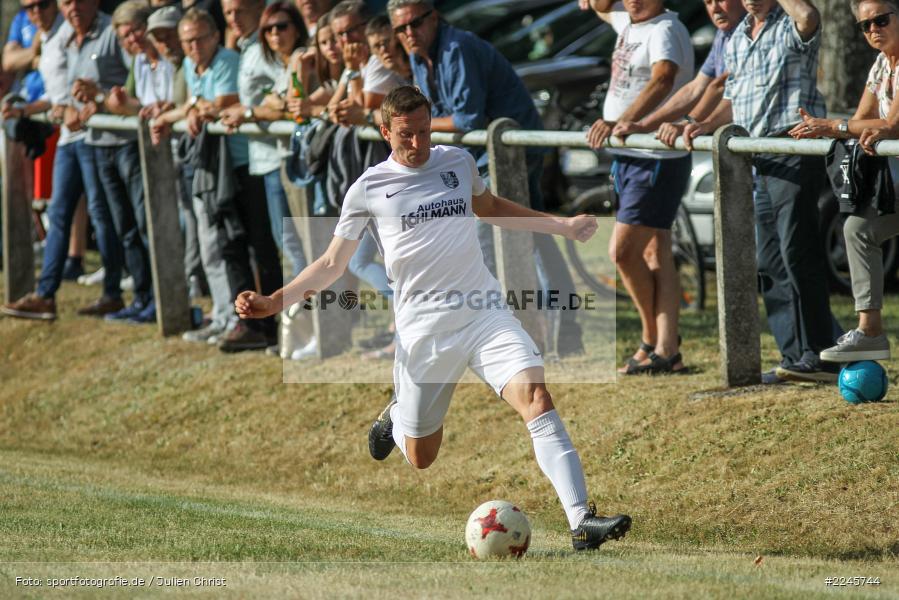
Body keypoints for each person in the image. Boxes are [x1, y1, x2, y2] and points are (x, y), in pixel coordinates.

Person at [234, 85, 632, 551]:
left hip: (484, 314)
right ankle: (398, 414)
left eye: (424, 131)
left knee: (537, 398)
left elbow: (491, 209)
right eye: (407, 136)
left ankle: (581, 522)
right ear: (385, 132)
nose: (419, 144)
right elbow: (330, 265)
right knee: (422, 456)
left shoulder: (457, 162)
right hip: (423, 333)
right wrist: (272, 302)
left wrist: (561, 225)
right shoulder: (368, 188)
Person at [387, 0, 584, 355]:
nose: (409, 33)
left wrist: (418, 126)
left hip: (512, 153)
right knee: (537, 237)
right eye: (400, 29)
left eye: (415, 23)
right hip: (485, 157)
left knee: (488, 241)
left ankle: (517, 333)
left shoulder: (456, 47)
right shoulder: (420, 55)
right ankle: (562, 334)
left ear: (433, 17)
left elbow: (466, 119)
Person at [682, 0, 842, 384]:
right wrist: (703, 124)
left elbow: (809, 17)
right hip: (757, 155)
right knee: (768, 259)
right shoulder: (737, 36)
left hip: (792, 146)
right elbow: (735, 103)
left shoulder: (790, 24)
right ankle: (793, 357)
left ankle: (821, 355)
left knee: (795, 250)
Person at [584, 0, 694, 374]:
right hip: (633, 155)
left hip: (656, 157)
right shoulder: (629, 22)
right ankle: (666, 347)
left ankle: (652, 339)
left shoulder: (664, 28)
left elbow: (663, 77)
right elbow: (599, 8)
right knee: (653, 253)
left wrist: (622, 121)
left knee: (621, 252)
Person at [1, 0, 126, 321]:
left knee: (101, 213)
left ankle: (113, 291)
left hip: (91, 134)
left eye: (42, 5)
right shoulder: (50, 38)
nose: (36, 12)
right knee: (59, 212)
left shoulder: (71, 31)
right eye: (28, 8)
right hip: (70, 136)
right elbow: (57, 97)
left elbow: (89, 84)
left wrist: (70, 106)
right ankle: (46, 295)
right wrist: (26, 110)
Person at [789, 0, 899, 362]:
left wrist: (830, 126)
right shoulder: (883, 64)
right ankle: (870, 332)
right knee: (857, 229)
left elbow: (891, 124)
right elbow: (864, 119)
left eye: (880, 20)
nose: (872, 30)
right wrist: (847, 129)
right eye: (864, 26)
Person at [65, 0, 156, 324]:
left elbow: (130, 103)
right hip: (102, 143)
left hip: (131, 146)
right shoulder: (136, 61)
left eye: (135, 32)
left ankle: (159, 297)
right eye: (125, 35)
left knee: (146, 226)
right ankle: (142, 296)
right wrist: (91, 103)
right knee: (126, 228)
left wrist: (100, 98)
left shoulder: (150, 60)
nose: (131, 40)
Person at [610, 0, 745, 147]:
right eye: (708, 2)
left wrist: (687, 123)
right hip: (737, 141)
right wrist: (642, 126)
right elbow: (694, 88)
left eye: (721, 0)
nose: (715, 9)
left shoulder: (746, 32)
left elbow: (720, 86)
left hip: (751, 139)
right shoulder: (723, 34)